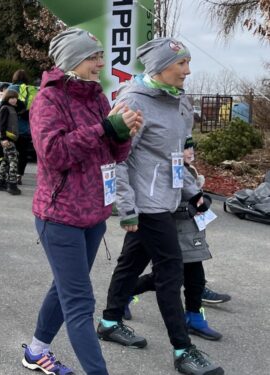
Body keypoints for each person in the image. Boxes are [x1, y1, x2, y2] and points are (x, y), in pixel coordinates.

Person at [98, 37, 224, 375]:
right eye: (181, 63)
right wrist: (127, 208)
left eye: (188, 62)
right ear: (159, 66)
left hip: (167, 198)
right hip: (145, 203)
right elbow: (118, 160)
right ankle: (183, 350)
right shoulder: (133, 102)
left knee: (130, 263)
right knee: (171, 270)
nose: (188, 70)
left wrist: (192, 191)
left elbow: (173, 157)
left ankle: (109, 322)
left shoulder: (178, 102)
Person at [20, 28, 141, 375]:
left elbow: (113, 154)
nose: (100, 63)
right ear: (72, 59)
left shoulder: (97, 96)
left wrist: (123, 132)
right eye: (93, 57)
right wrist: (105, 127)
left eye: (101, 56)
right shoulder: (49, 99)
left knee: (64, 289)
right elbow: (54, 153)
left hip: (93, 215)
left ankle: (36, 351)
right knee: (80, 301)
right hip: (59, 217)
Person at [126, 137, 225, 341]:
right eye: (186, 149)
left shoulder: (190, 170)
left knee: (195, 279)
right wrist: (187, 208)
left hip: (192, 234)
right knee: (166, 277)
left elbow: (197, 195)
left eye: (192, 149)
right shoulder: (167, 168)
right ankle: (125, 292)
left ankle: (194, 318)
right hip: (170, 233)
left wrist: (203, 200)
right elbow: (161, 201)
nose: (190, 153)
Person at [0, 86, 22, 195]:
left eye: (15, 98)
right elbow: (2, 124)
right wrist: (4, 138)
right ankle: (12, 185)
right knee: (13, 161)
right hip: (7, 139)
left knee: (6, 161)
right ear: (6, 98)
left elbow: (22, 107)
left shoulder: (12, 108)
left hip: (10, 138)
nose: (14, 100)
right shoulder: (5, 108)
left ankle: (0, 182)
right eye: (11, 98)